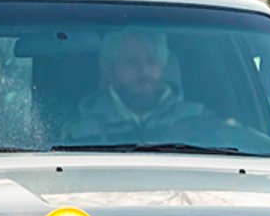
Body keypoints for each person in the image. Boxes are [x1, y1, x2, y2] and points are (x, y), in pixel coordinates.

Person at [65, 29, 210, 142]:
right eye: (131, 62)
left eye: (151, 61)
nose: (144, 71)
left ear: (162, 66)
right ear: (109, 70)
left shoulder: (200, 119)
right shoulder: (79, 128)